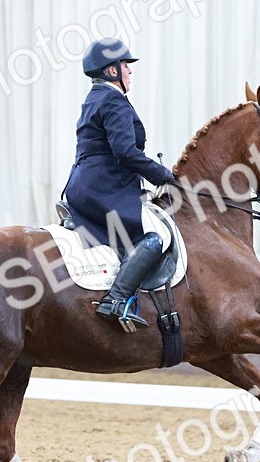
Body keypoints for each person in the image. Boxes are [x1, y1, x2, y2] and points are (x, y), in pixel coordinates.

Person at [63, 38, 176, 329]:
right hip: (104, 189)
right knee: (155, 237)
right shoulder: (114, 100)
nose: (130, 71)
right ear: (112, 71)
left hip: (81, 186)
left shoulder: (93, 98)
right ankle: (117, 298)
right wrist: (162, 175)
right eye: (126, 65)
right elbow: (125, 151)